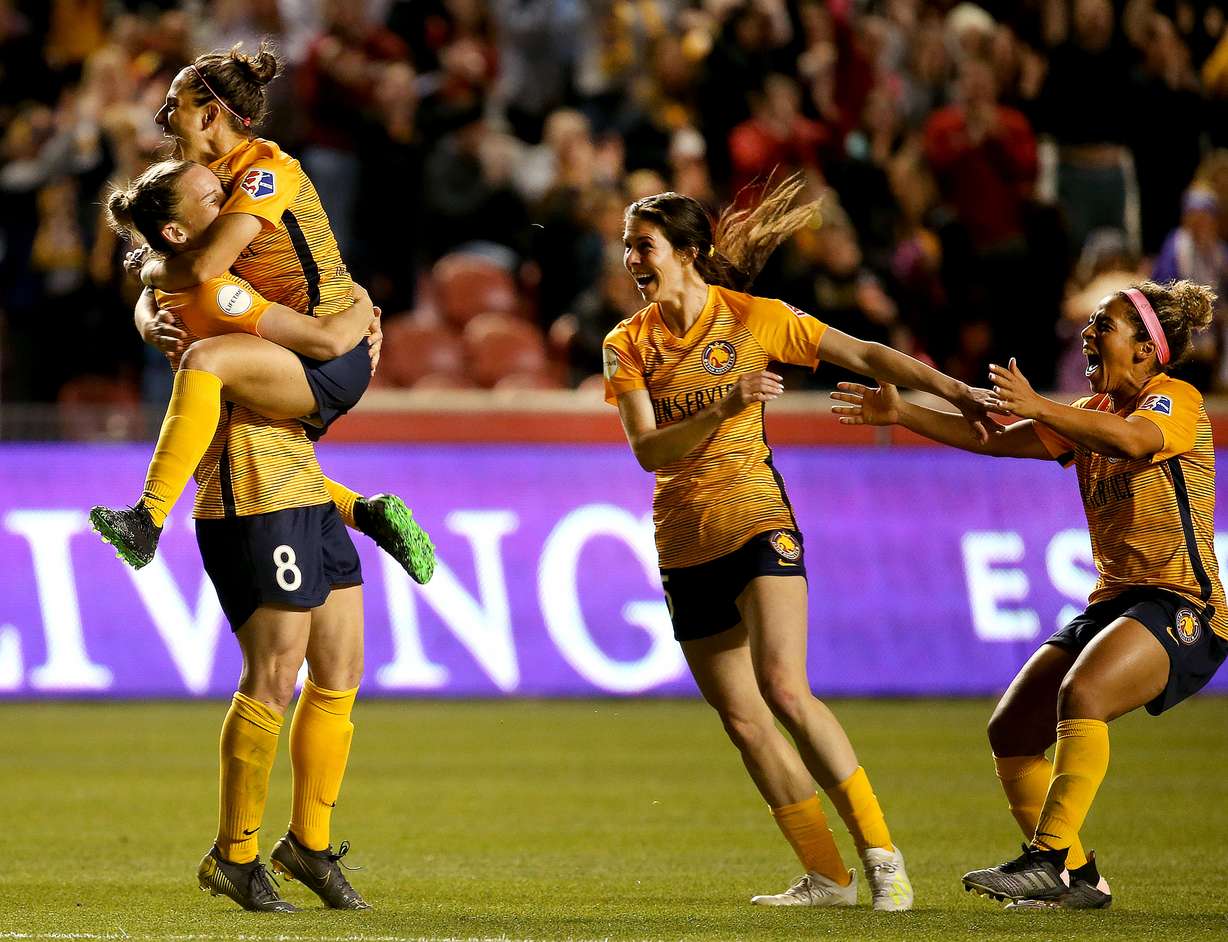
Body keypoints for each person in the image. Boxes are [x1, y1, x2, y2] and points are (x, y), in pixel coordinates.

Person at [601, 177, 994, 911]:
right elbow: (650, 452)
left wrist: (955, 390)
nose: (631, 259)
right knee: (744, 721)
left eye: (643, 245)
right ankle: (829, 877)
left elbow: (867, 353)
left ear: (687, 252)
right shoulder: (625, 344)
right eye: (628, 246)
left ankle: (882, 857)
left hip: (757, 523)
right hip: (683, 543)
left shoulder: (756, 319)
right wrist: (723, 405)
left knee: (783, 688)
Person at [832, 280, 1228, 909]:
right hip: (1116, 602)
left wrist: (1040, 405)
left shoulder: (1173, 398)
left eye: (1104, 324)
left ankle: (1046, 857)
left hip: (1185, 605)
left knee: (1084, 693)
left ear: (1146, 350)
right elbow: (994, 439)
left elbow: (1132, 441)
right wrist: (903, 414)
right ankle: (1078, 876)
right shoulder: (1094, 411)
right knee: (1013, 729)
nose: (1088, 333)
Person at [91, 41, 433, 583]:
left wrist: (148, 272)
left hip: (323, 350)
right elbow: (173, 269)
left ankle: (147, 519)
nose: (159, 118)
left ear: (209, 116)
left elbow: (201, 267)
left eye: (172, 105)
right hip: (285, 340)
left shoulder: (263, 171)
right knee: (248, 451)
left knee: (205, 365)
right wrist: (148, 318)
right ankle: (363, 512)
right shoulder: (196, 182)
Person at [121, 223, 374, 912]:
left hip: (306, 485)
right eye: (209, 195)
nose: (230, 204)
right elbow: (160, 279)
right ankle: (234, 856)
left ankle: (309, 845)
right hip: (249, 493)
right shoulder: (200, 282)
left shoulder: (239, 273)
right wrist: (360, 313)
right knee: (273, 677)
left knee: (341, 671)